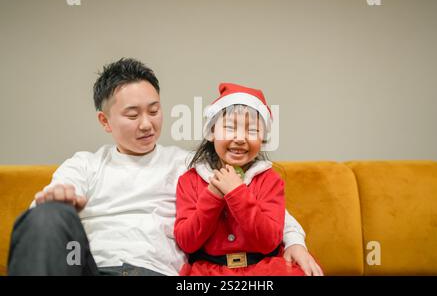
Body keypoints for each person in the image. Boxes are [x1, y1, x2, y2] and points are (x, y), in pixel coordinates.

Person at [7, 58, 322, 276]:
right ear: (105, 121)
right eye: (132, 115)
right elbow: (40, 221)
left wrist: (295, 242)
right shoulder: (84, 165)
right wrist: (57, 201)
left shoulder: (189, 165)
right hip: (92, 267)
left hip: (157, 271)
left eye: (154, 111)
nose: (147, 124)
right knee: (48, 215)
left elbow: (257, 199)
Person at [174, 83, 321, 275]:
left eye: (252, 131)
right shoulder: (190, 181)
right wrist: (213, 194)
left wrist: (237, 193)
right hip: (209, 270)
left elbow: (269, 241)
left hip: (264, 268)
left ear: (263, 139)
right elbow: (187, 242)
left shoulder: (270, 180)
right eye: (229, 128)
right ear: (211, 132)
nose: (241, 138)